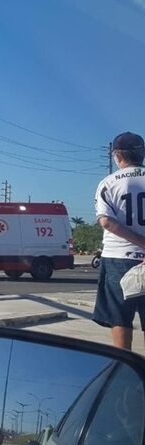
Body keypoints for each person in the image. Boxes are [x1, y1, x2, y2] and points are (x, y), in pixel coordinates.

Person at [93, 131, 145, 350]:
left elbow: (106, 222)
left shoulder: (108, 183)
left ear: (117, 156)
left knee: (119, 317)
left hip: (118, 258)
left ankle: (124, 364)